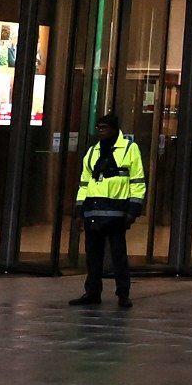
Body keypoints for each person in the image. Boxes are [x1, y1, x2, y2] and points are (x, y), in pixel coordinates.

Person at [69, 114, 146, 310]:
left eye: (105, 127)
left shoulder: (129, 149)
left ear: (114, 129)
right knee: (93, 255)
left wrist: (133, 210)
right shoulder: (92, 151)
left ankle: (123, 293)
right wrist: (79, 209)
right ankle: (92, 292)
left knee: (118, 255)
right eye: (98, 127)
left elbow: (137, 181)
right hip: (94, 209)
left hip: (116, 211)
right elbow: (85, 182)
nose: (101, 130)